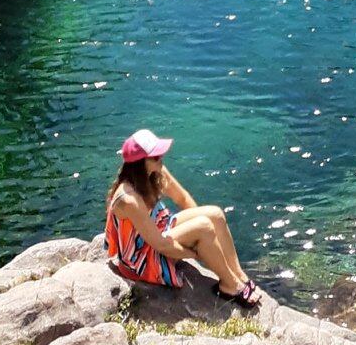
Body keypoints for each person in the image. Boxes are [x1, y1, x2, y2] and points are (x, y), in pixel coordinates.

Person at [104, 128, 261, 306]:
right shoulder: (128, 199)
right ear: (140, 163)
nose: (160, 158)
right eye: (155, 156)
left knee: (215, 215)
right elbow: (160, 245)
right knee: (203, 227)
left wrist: (206, 237)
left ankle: (239, 275)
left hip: (160, 228)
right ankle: (231, 286)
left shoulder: (154, 171)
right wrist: (195, 252)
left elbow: (182, 198)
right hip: (141, 259)